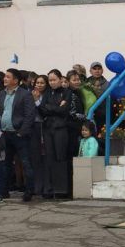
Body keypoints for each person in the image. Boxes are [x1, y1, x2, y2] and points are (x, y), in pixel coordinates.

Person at [0, 68, 36, 201]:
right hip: (5, 134)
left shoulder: (25, 94)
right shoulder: (1, 94)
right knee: (5, 163)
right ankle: (4, 190)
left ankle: (29, 191)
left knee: (26, 163)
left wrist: (21, 132)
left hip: (20, 135)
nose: (5, 79)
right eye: (5, 76)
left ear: (16, 80)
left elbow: (30, 115)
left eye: (8, 77)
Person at [39, 69, 72, 199]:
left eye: (54, 80)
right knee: (49, 157)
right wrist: (56, 107)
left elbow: (64, 110)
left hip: (60, 128)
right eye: (50, 80)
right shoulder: (47, 92)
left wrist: (51, 107)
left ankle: (62, 189)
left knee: (60, 156)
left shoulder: (66, 92)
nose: (52, 82)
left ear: (60, 79)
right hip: (48, 128)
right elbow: (42, 108)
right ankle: (49, 188)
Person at [30, 74, 49, 197]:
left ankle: (45, 187)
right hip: (33, 128)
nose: (39, 85)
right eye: (37, 83)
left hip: (45, 127)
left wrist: (37, 101)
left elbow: (45, 112)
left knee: (45, 158)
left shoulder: (48, 96)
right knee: (35, 158)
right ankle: (36, 187)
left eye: (42, 83)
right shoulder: (29, 95)